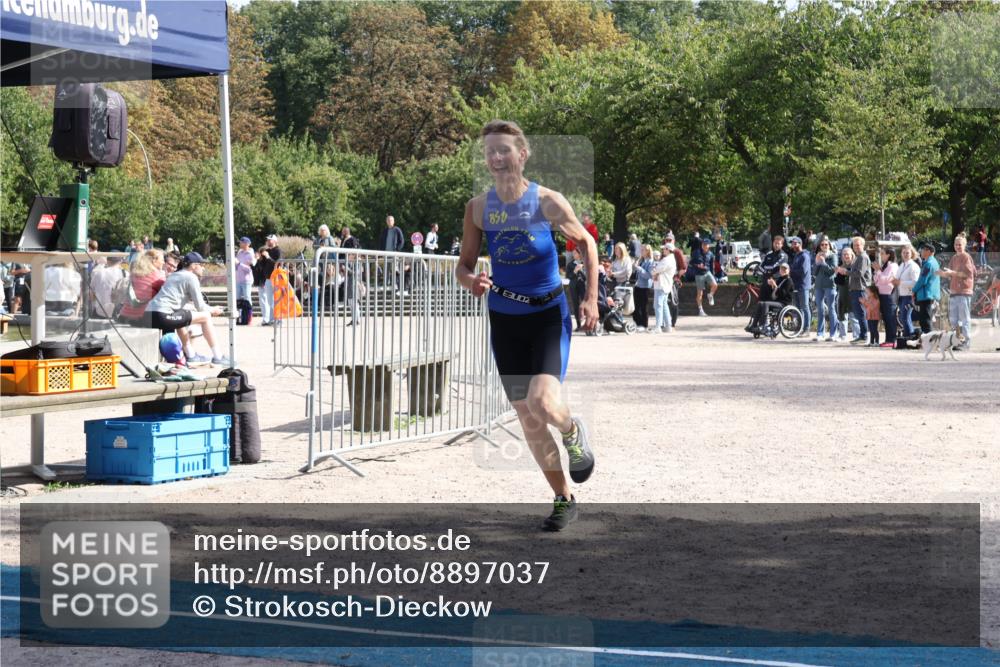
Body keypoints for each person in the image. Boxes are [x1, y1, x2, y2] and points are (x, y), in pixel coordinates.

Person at [456, 119, 597, 532]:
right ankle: (563, 498)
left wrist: (589, 298)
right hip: (505, 318)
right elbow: (463, 265)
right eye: (490, 152)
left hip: (547, 315)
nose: (497, 158)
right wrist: (471, 281)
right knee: (528, 416)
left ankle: (573, 432)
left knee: (544, 403)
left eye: (504, 150)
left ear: (522, 154)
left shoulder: (547, 202)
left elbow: (586, 242)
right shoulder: (478, 209)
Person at [147, 252, 228, 365]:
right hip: (163, 315)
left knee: (182, 315)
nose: (203, 268)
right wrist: (213, 310)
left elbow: (181, 304)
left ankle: (191, 355)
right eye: (202, 265)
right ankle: (218, 357)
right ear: (194, 265)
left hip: (150, 315)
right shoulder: (191, 277)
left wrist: (210, 308)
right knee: (206, 316)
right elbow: (201, 307)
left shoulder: (174, 275)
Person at [937, 232, 976, 347]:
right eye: (956, 244)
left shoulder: (966, 257)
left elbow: (967, 274)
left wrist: (951, 273)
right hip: (954, 292)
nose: (958, 246)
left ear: (964, 245)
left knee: (965, 319)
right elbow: (950, 274)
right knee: (954, 320)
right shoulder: (954, 258)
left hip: (964, 292)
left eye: (960, 244)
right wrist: (941, 273)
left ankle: (966, 342)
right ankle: (956, 341)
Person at [836, 236, 871, 344]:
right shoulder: (858, 257)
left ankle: (864, 335)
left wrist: (846, 272)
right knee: (858, 313)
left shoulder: (863, 257)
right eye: (854, 245)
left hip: (860, 288)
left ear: (863, 245)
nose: (856, 247)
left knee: (860, 314)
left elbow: (859, 273)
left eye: (858, 244)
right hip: (855, 288)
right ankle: (861, 335)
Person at [118, 249, 166, 326]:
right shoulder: (158, 276)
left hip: (125, 315)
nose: (163, 262)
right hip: (143, 317)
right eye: (162, 260)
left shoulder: (134, 273)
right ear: (154, 261)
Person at [745, 262, 794, 334]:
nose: (783, 271)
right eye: (781, 269)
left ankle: (764, 325)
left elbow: (782, 294)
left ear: (788, 270)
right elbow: (775, 291)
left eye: (785, 269)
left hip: (784, 303)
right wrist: (771, 285)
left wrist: (774, 286)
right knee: (760, 303)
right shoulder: (780, 279)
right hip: (777, 301)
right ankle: (754, 325)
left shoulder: (789, 281)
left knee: (765, 304)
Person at [912, 242, 941, 335]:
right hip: (929, 295)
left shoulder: (929, 264)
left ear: (928, 251)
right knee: (925, 319)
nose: (921, 252)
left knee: (925, 321)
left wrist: (913, 290)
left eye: (923, 250)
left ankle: (930, 341)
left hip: (926, 295)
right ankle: (928, 341)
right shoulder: (934, 262)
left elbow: (922, 280)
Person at [873, 247, 899, 348]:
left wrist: (878, 271)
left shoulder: (893, 266)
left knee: (890, 318)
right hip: (882, 295)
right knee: (885, 318)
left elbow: (885, 280)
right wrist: (877, 272)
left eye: (883, 253)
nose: (881, 255)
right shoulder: (885, 266)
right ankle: (888, 339)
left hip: (889, 295)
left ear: (888, 255)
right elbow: (876, 279)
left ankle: (892, 339)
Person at [893, 245, 920, 341]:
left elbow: (915, 283)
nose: (905, 254)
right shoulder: (902, 265)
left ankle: (909, 337)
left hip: (909, 295)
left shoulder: (913, 266)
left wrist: (900, 283)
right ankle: (908, 337)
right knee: (903, 317)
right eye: (903, 252)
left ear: (912, 254)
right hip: (901, 295)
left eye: (907, 253)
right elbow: (897, 278)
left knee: (905, 317)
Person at [813, 238, 837, 341]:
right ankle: (820, 333)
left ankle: (833, 334)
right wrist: (817, 262)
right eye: (822, 245)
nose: (824, 246)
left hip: (829, 285)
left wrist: (823, 263)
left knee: (831, 309)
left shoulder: (833, 256)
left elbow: (832, 271)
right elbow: (814, 272)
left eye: (826, 244)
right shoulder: (818, 255)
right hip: (818, 285)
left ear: (829, 246)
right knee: (820, 309)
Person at [787, 236, 812, 335]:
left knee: (805, 307)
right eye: (792, 243)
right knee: (798, 308)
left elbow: (803, 271)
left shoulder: (804, 256)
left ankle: (806, 329)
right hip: (796, 285)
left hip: (803, 286)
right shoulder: (797, 255)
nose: (793, 245)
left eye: (795, 243)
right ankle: (799, 328)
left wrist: (791, 272)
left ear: (800, 244)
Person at [651, 245, 677, 333]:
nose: (663, 250)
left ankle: (658, 326)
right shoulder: (670, 259)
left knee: (658, 305)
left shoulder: (667, 260)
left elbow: (656, 269)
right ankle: (668, 326)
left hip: (662, 284)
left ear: (668, 250)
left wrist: (654, 272)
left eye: (664, 249)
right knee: (664, 304)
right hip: (664, 284)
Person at [257, 235, 281, 326]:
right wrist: (260, 259)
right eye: (267, 240)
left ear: (274, 241)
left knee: (276, 299)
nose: (267, 241)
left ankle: (278, 319)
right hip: (267, 279)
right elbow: (263, 266)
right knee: (270, 300)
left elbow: (277, 264)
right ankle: (271, 319)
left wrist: (267, 257)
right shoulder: (267, 251)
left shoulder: (278, 250)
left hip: (276, 278)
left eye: (269, 240)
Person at [834, 247, 857, 341]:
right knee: (842, 315)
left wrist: (846, 273)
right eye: (844, 254)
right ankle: (843, 335)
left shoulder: (855, 266)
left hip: (852, 293)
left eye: (848, 254)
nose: (846, 256)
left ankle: (857, 335)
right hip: (842, 292)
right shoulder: (841, 265)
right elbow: (837, 282)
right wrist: (836, 273)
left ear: (852, 255)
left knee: (853, 315)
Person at [691, 237, 717, 316]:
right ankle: (700, 310)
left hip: (708, 272)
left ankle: (710, 295)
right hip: (699, 274)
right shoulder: (696, 252)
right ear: (702, 245)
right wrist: (698, 265)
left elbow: (712, 266)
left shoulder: (711, 254)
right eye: (703, 244)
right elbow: (691, 263)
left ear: (709, 245)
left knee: (715, 285)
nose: (705, 246)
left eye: (706, 244)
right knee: (700, 293)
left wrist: (713, 274)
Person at [632, 244, 654, 331]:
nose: (641, 252)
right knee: (636, 306)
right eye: (641, 250)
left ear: (648, 251)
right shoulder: (641, 260)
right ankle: (638, 323)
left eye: (643, 250)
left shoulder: (650, 262)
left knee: (643, 306)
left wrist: (639, 268)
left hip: (645, 287)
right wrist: (635, 266)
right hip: (637, 285)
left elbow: (648, 275)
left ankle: (644, 324)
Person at [235, 237, 256, 304]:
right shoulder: (239, 253)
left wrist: (239, 264)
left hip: (246, 280)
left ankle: (249, 314)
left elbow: (249, 269)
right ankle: (241, 313)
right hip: (238, 280)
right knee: (237, 298)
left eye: (241, 242)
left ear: (246, 244)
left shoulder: (251, 254)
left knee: (247, 298)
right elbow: (237, 266)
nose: (239, 244)